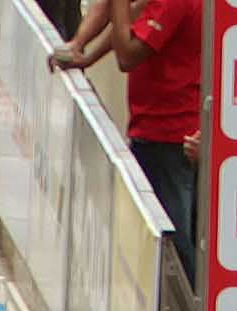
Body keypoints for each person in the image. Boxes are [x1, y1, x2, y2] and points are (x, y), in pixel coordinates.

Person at [54, 0, 199, 276]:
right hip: (156, 126)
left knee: (174, 243)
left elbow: (128, 55)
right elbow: (132, 19)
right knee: (168, 237)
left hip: (168, 132)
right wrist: (84, 51)